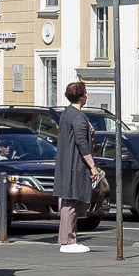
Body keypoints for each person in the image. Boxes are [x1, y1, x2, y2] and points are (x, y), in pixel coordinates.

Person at [55, 82, 102, 254]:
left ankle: (69, 239)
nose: (87, 96)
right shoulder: (77, 116)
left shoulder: (67, 113)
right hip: (75, 165)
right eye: (86, 93)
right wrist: (93, 167)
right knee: (71, 202)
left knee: (70, 202)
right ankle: (68, 241)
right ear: (81, 96)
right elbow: (82, 144)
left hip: (67, 163)